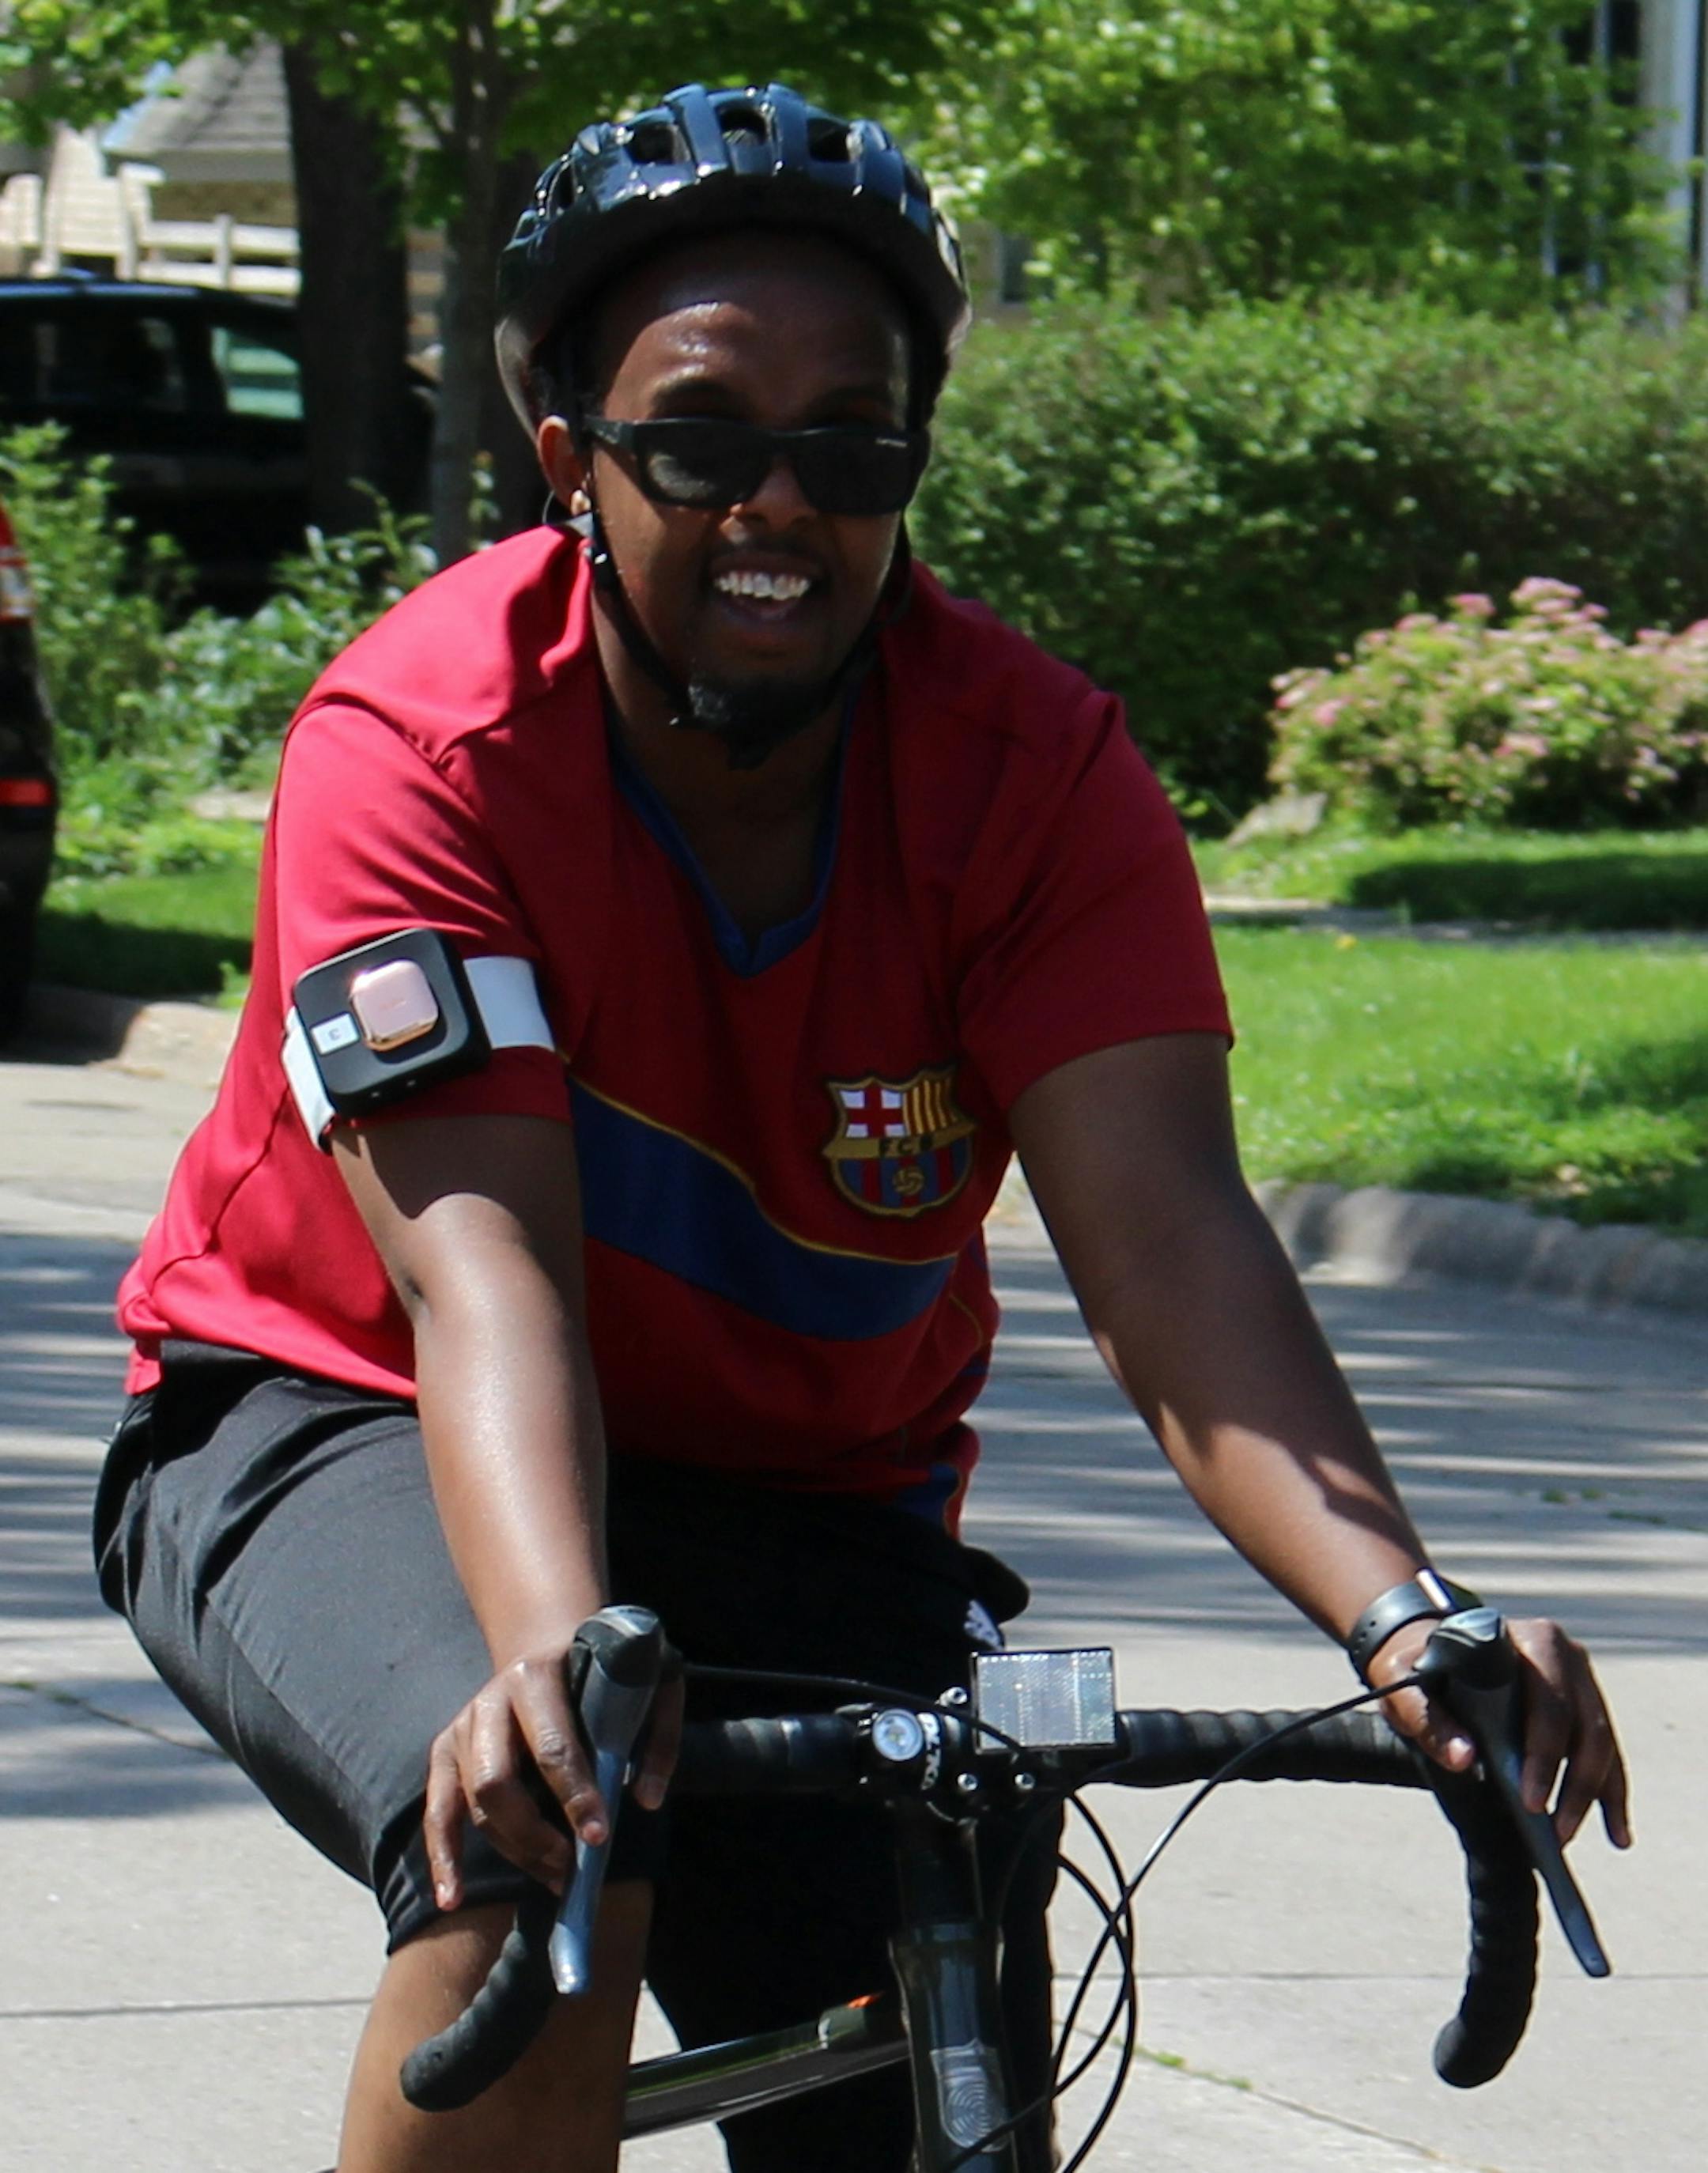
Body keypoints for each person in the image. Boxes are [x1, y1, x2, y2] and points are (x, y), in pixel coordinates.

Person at [93, 81, 1630, 2173]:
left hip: (805, 1497)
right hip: (337, 1409)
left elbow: (1172, 1250)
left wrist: (1404, 1614)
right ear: (573, 464)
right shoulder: (425, 738)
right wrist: (556, 1656)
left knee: (931, 2049)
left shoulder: (1035, 776)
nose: (779, 506)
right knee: (550, 1862)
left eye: (853, 443)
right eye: (704, 437)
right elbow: (487, 1280)